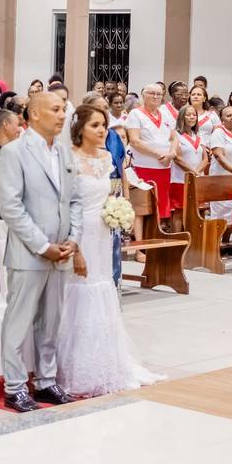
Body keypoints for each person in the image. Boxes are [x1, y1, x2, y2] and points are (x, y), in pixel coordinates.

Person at [56, 104, 163, 397]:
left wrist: (118, 211)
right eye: (95, 125)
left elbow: (112, 192)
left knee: (103, 285)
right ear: (79, 129)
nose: (102, 130)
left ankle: (106, 360)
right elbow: (65, 205)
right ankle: (74, 365)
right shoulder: (69, 159)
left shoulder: (105, 158)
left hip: (103, 231)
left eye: (103, 124)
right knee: (79, 287)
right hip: (80, 232)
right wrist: (74, 247)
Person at [0, 92, 82, 412]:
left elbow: (74, 200)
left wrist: (73, 238)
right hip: (30, 253)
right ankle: (15, 385)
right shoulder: (14, 152)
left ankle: (46, 381)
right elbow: (12, 207)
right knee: (19, 321)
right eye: (55, 110)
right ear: (33, 115)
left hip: (61, 252)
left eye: (63, 110)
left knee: (51, 321)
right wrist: (43, 246)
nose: (62, 115)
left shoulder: (64, 153)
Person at [126, 83, 177, 222]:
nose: (155, 96)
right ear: (143, 95)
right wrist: (159, 154)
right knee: (143, 207)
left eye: (158, 94)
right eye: (151, 93)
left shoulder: (166, 115)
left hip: (164, 168)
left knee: (161, 206)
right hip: (143, 168)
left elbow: (174, 137)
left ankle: (157, 235)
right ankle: (143, 239)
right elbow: (135, 141)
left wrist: (171, 153)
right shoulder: (135, 114)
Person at [169, 105, 208, 228]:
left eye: (194, 115)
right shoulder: (176, 135)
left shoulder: (198, 136)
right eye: (188, 114)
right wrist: (193, 171)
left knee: (195, 211)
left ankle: (193, 239)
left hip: (197, 179)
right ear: (181, 117)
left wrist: (197, 172)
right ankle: (178, 241)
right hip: (181, 179)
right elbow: (177, 158)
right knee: (179, 211)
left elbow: (205, 159)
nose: (192, 117)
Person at [208, 105, 232, 224]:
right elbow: (219, 155)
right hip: (222, 179)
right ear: (222, 119)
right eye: (228, 115)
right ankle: (216, 242)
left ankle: (229, 241)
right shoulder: (218, 132)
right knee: (221, 216)